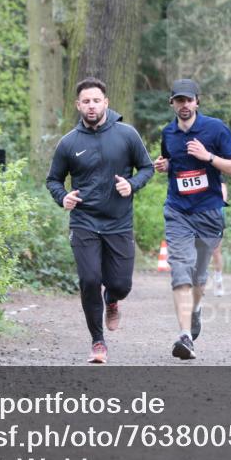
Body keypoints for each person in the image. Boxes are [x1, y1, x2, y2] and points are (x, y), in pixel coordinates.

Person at [46, 77, 154, 364]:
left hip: (119, 221)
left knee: (121, 284)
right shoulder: (69, 142)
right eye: (86, 101)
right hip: (84, 221)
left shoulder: (127, 134)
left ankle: (113, 300)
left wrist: (131, 185)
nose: (91, 106)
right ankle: (98, 341)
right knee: (90, 279)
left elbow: (146, 167)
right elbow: (54, 180)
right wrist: (64, 197)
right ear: (78, 105)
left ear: (106, 102)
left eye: (96, 100)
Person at [154, 78, 231, 360]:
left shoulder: (215, 128)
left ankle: (195, 311)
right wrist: (163, 165)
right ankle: (184, 336)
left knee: (198, 277)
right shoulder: (168, 133)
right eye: (179, 100)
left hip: (209, 212)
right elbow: (171, 164)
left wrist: (209, 156)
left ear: (197, 102)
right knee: (180, 268)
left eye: (189, 100)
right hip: (178, 210)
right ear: (172, 104)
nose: (184, 105)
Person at [210, 180, 228, 297]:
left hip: (215, 215)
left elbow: (223, 199)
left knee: (215, 251)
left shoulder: (218, 176)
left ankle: (219, 281)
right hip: (196, 214)